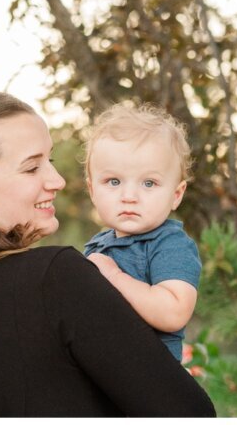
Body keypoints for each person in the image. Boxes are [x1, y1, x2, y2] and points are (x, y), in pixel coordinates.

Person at [0, 91, 215, 417]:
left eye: (52, 161)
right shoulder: (56, 278)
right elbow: (191, 414)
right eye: (32, 168)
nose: (58, 180)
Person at [82, 103, 201, 362]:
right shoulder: (96, 247)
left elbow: (173, 313)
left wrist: (113, 275)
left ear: (176, 194)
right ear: (92, 190)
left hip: (150, 378)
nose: (129, 196)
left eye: (149, 183)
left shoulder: (170, 244)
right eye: (113, 182)